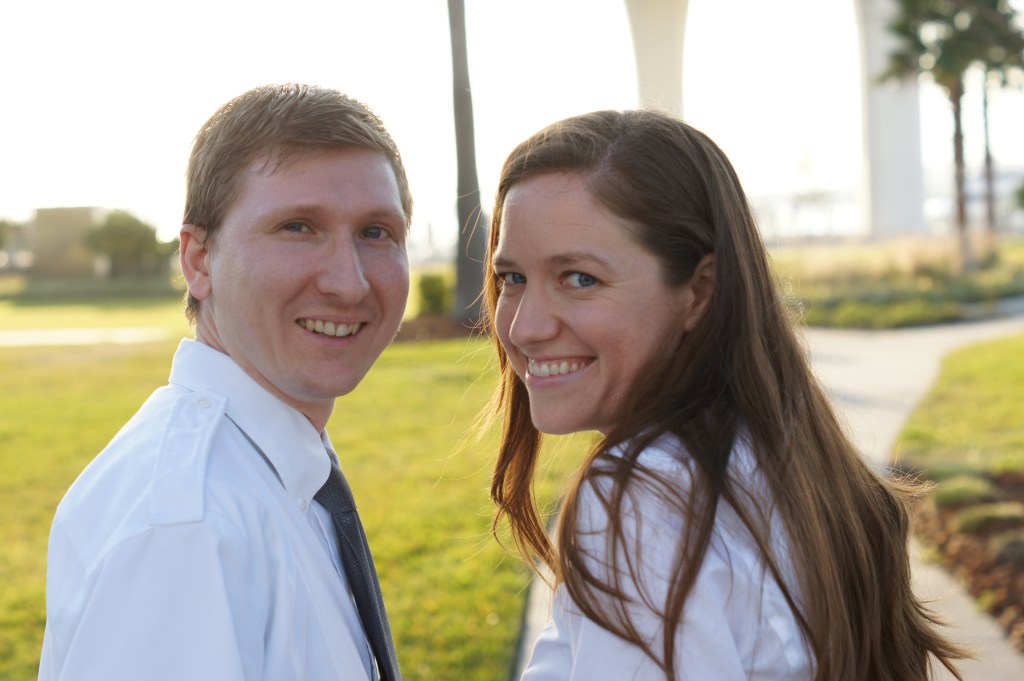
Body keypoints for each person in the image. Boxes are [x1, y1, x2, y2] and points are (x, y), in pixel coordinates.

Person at [482, 109, 968, 681]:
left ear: (698, 291)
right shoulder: (784, 458)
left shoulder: (642, 496)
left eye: (579, 278)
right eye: (512, 277)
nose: (524, 327)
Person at [39, 84, 411, 680]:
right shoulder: (187, 529)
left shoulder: (273, 469)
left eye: (376, 232)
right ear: (198, 260)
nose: (350, 283)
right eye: (297, 226)